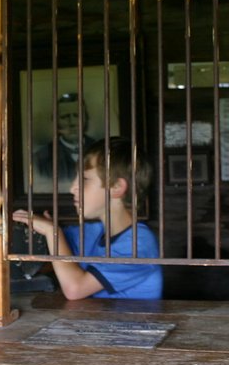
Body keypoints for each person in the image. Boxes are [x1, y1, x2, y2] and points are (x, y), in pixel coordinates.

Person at [13, 137, 162, 300]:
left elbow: (75, 289)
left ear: (116, 187)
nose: (72, 188)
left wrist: (52, 232)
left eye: (84, 179)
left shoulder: (138, 244)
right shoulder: (93, 232)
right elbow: (56, 253)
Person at [32, 92, 94, 191]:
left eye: (77, 115)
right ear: (55, 121)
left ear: (85, 118)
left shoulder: (101, 151)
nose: (72, 123)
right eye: (64, 117)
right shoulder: (40, 159)